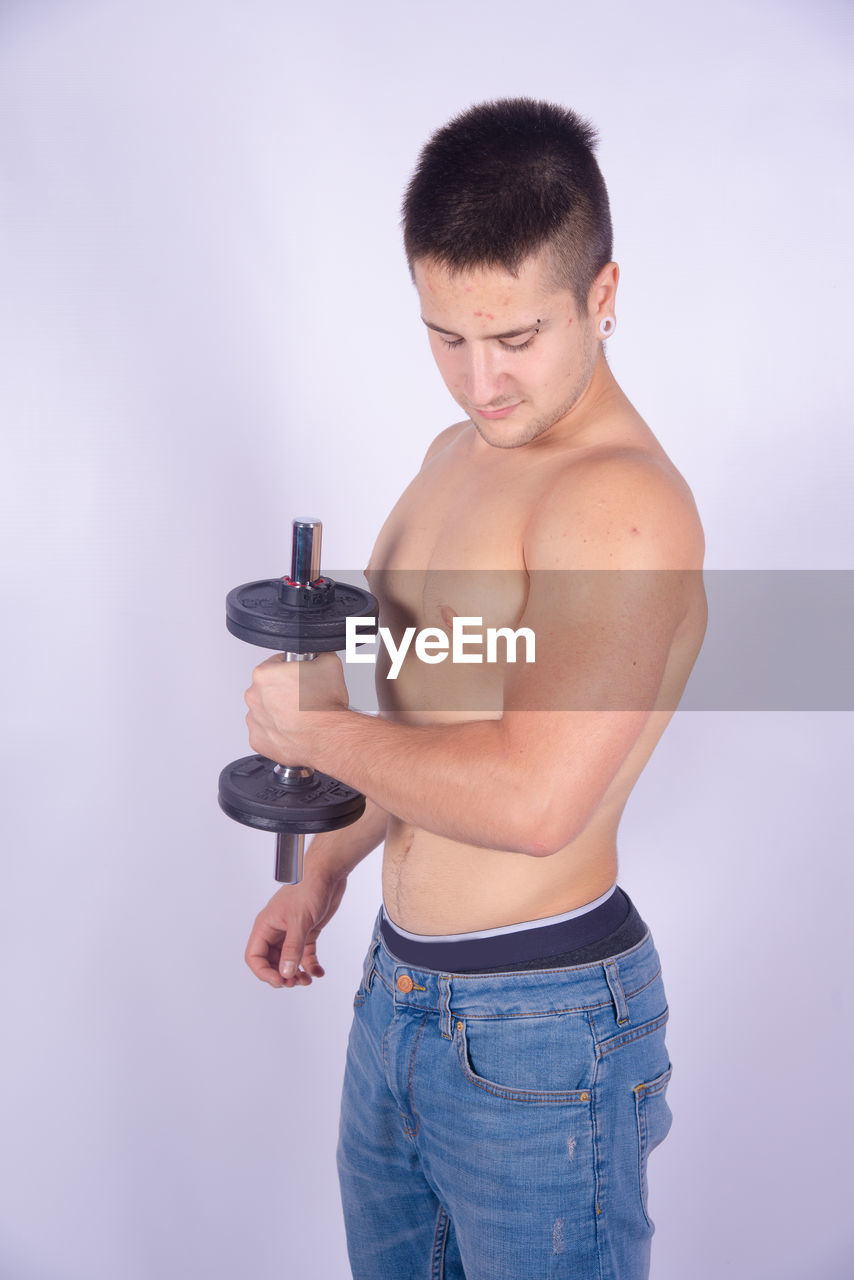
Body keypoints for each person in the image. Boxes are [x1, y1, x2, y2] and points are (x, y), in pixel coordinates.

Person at [243, 98, 706, 1279]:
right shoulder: (461, 454)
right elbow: (437, 720)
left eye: (514, 338)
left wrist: (322, 731)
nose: (479, 381)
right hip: (398, 993)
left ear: (602, 296)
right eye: (446, 335)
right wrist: (331, 867)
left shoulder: (616, 507)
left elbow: (534, 798)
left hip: (540, 1026)